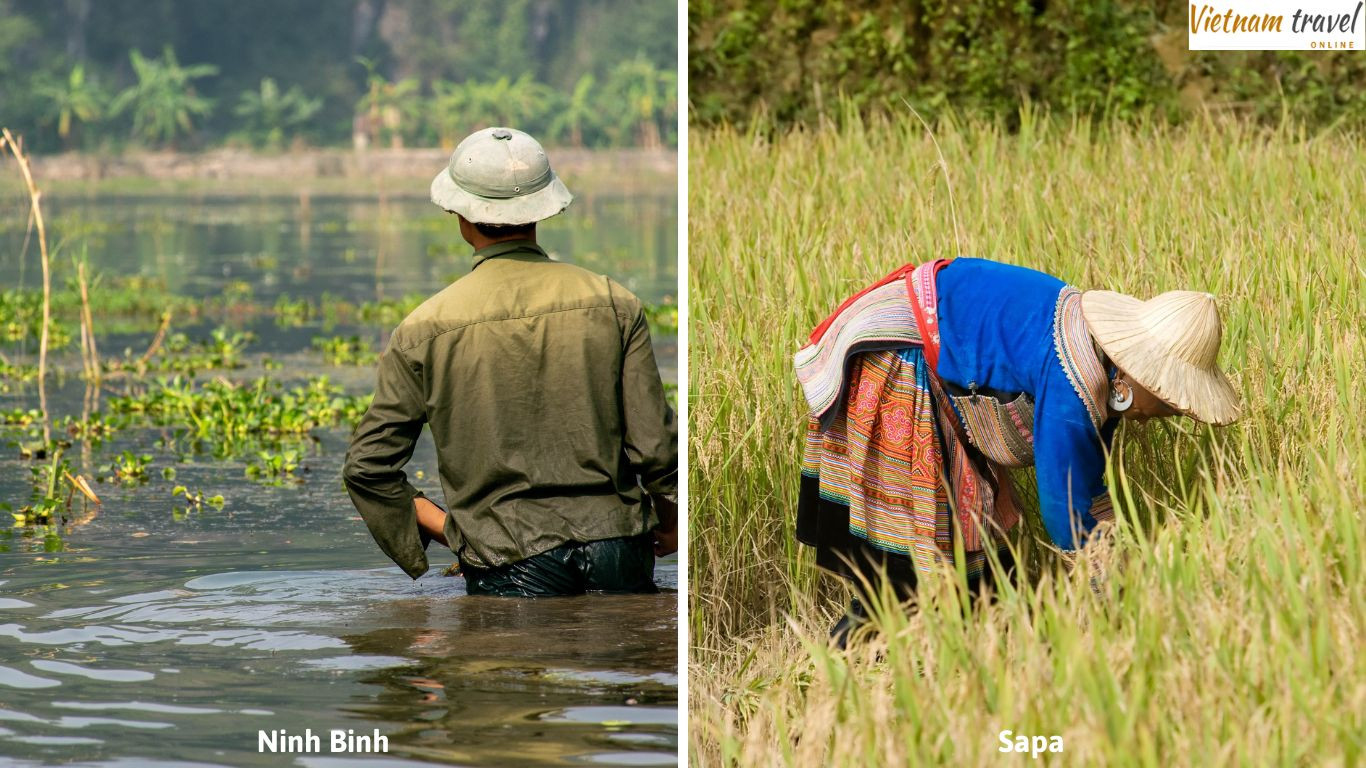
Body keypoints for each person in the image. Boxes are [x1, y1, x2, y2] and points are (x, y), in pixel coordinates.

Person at [794, 257, 1239, 643]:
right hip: (899, 356)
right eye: (1167, 403)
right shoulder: (1076, 382)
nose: (1161, 415)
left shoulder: (1098, 366)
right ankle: (844, 667)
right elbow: (1065, 506)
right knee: (901, 572)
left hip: (933, 359)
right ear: (1140, 378)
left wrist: (1120, 558)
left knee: (985, 576)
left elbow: (1088, 482)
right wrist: (1110, 595)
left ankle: (956, 667)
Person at [343, 126, 678, 597]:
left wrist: (459, 536)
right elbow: (657, 451)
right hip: (619, 550)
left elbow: (367, 469)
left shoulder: (423, 329)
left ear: (459, 214)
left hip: (508, 561)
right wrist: (670, 526)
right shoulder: (614, 302)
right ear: (543, 208)